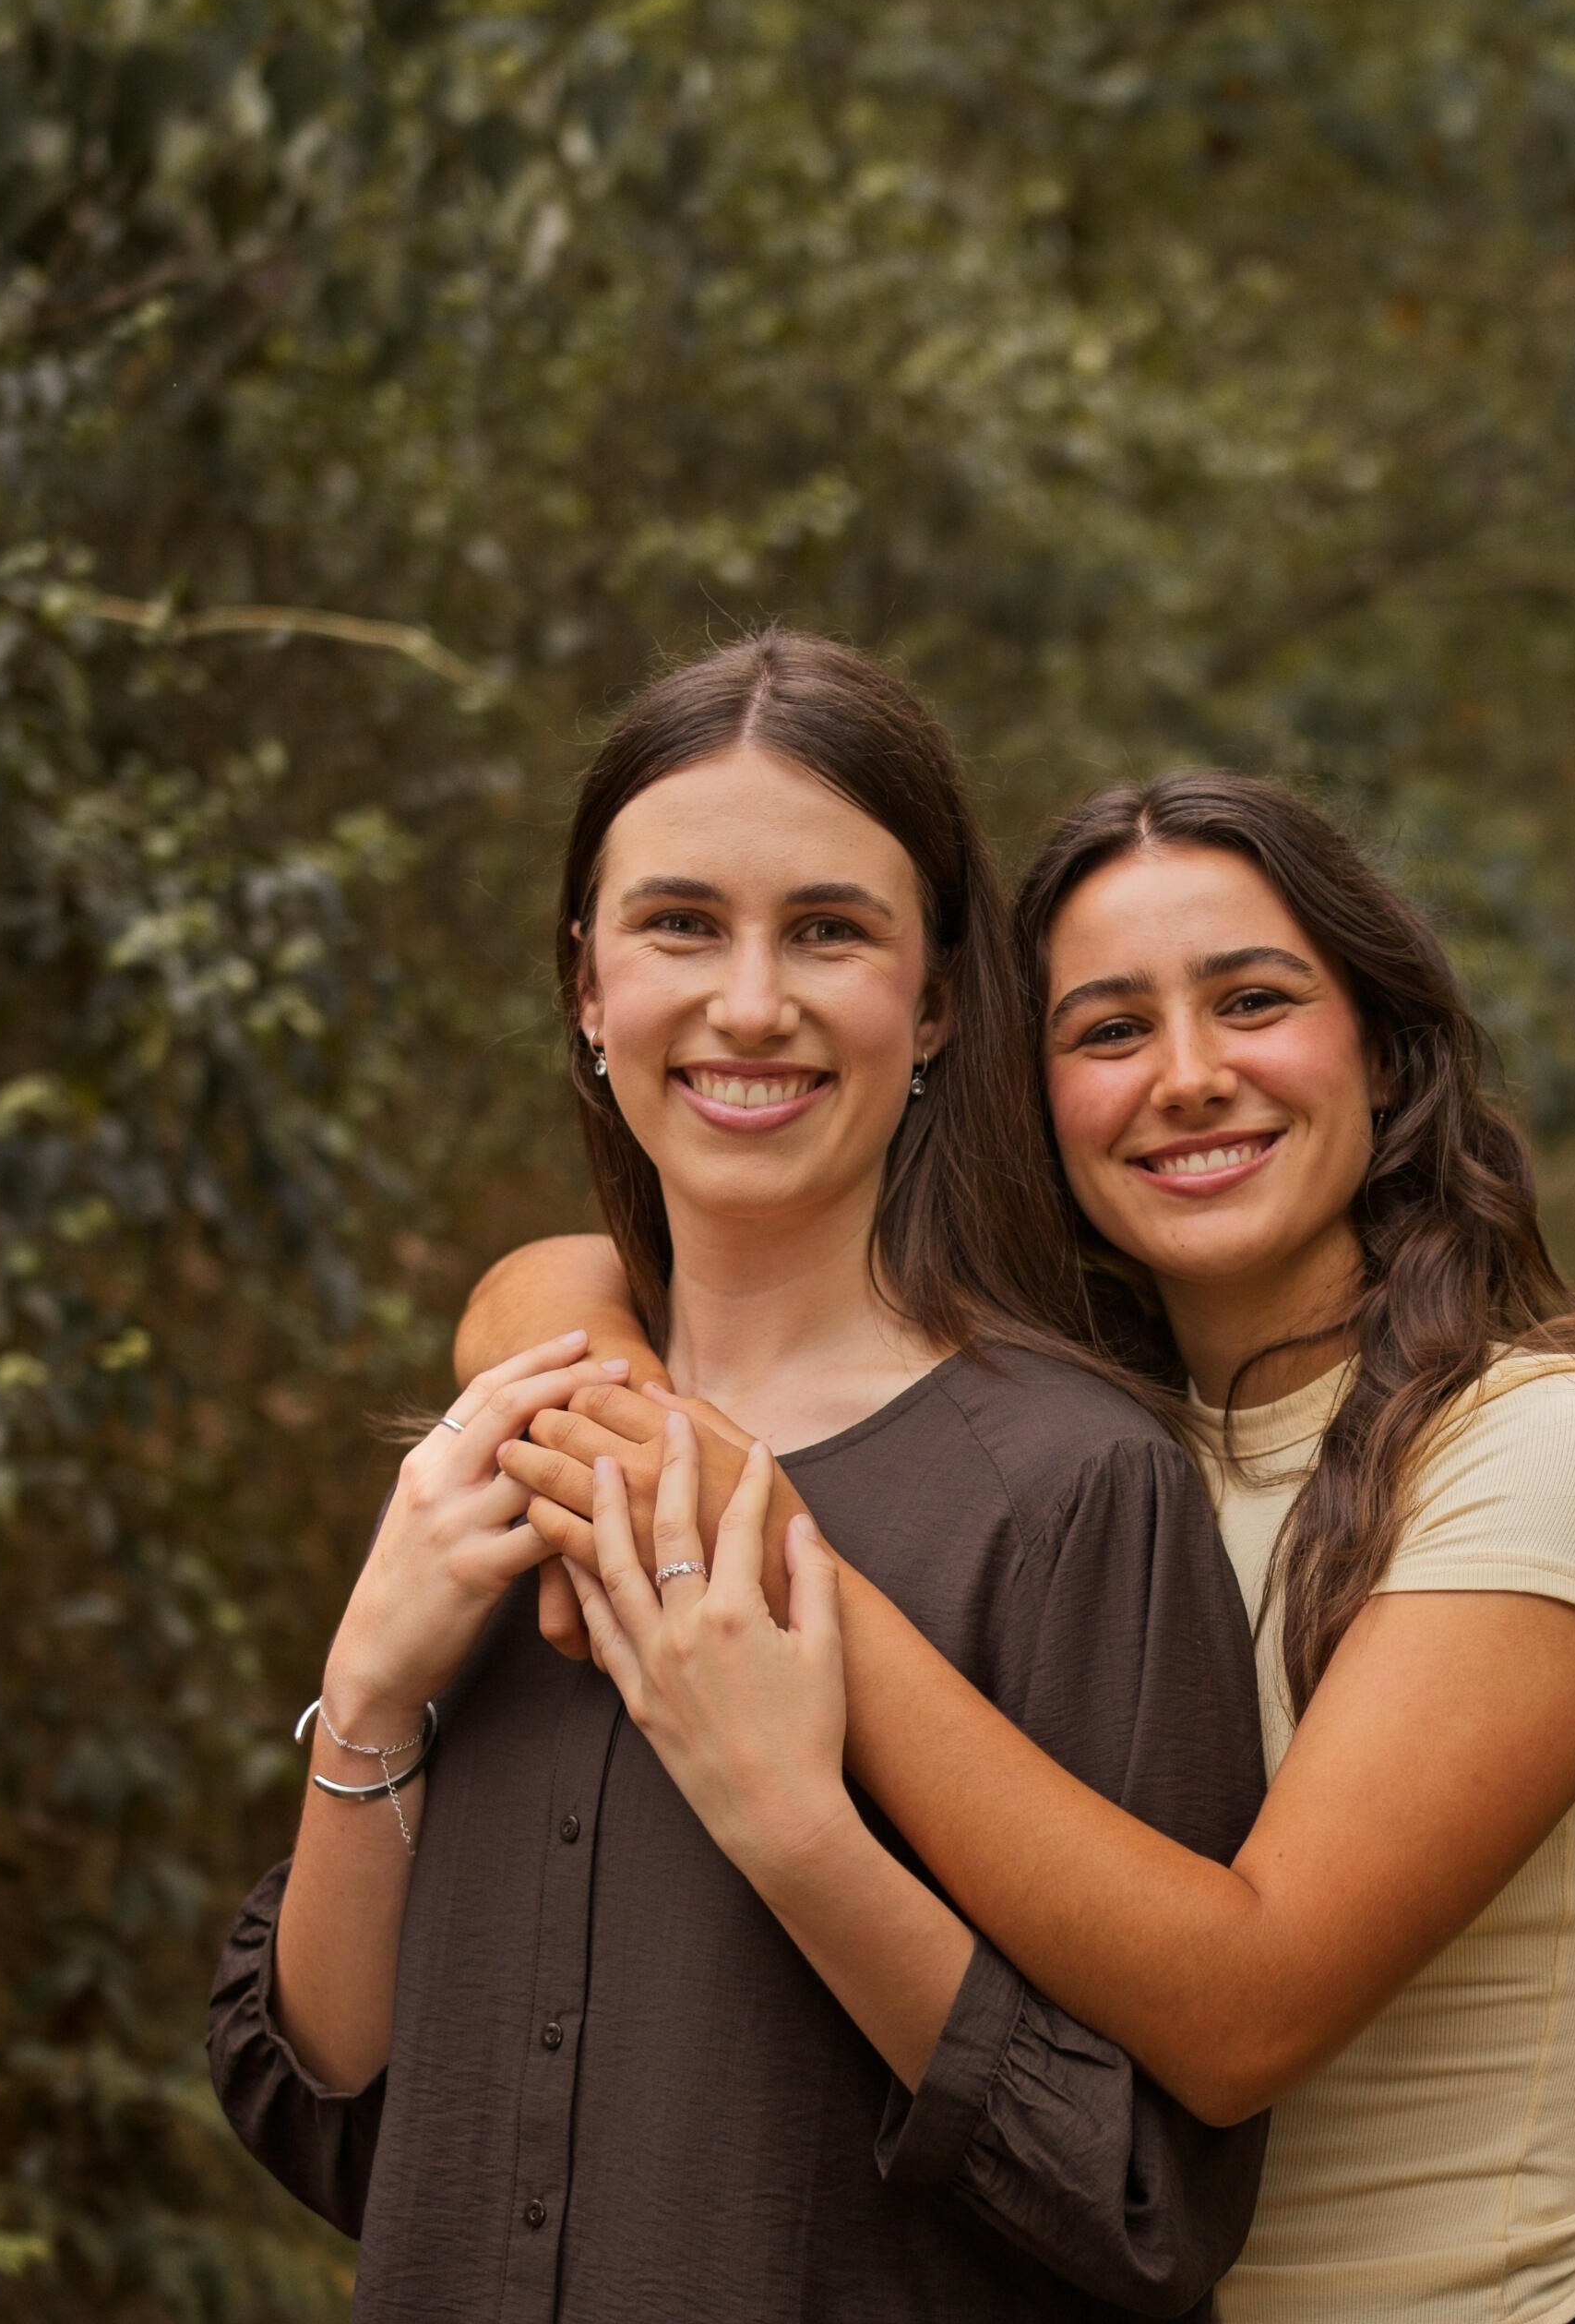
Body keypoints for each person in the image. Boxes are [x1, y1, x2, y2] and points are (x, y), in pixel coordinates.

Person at [479, 771, 1575, 2324]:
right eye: (1110, 1030)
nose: (1187, 1078)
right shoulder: (1086, 1431)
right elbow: (555, 1273)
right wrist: (613, 1418)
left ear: (1385, 1053)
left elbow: (1246, 2015)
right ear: (1030, 1094)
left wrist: (769, 1561)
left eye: (1253, 1003)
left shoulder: (1543, 1449)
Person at [206, 637, 1271, 2323]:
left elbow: (1145, 2205)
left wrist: (791, 1820)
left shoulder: (1076, 1495)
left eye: (829, 930)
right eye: (681, 924)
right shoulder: (516, 1441)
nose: (753, 1002)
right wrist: (369, 1696)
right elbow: (340, 2116)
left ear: (934, 1004)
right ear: (586, 984)